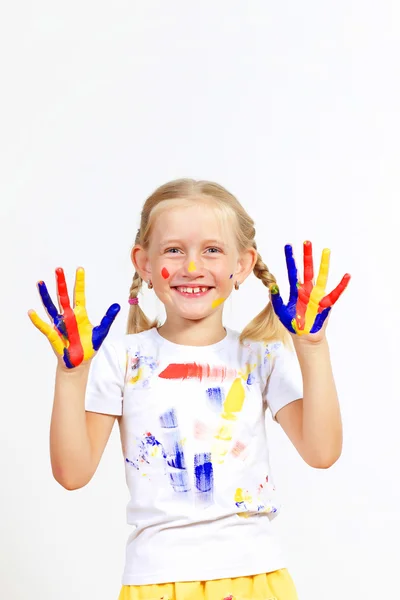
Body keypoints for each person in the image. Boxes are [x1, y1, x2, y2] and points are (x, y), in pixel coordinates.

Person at [28, 178, 350, 600]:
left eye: (212, 250)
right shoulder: (123, 358)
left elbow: (322, 452)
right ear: (143, 263)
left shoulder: (260, 356)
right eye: (174, 250)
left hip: (255, 576)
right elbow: (72, 474)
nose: (193, 267)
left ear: (243, 265)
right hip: (156, 581)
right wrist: (71, 377)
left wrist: (314, 347)